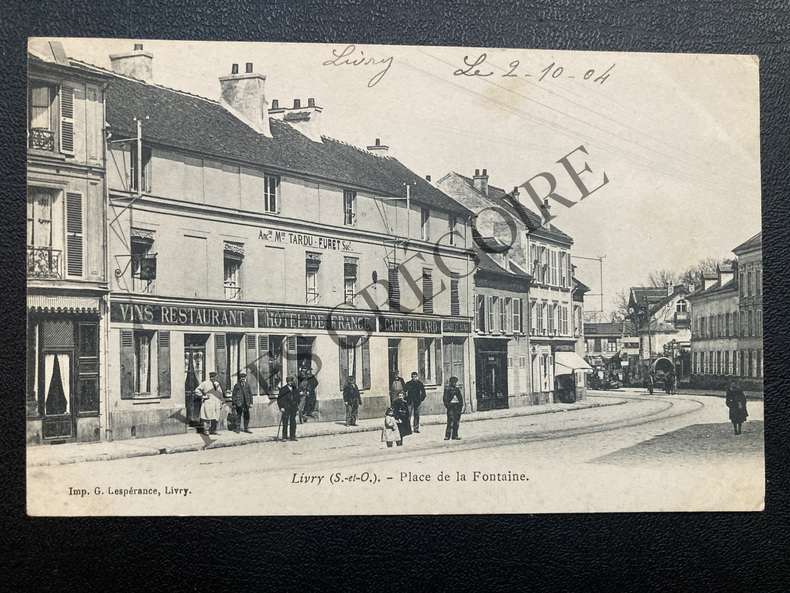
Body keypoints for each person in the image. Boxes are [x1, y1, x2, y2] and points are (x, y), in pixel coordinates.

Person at [195, 371, 223, 436]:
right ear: (210, 377)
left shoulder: (217, 384)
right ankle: (206, 430)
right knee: (207, 416)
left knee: (216, 417)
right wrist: (203, 396)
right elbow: (197, 390)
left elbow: (220, 393)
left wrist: (221, 402)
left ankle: (213, 430)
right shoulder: (205, 383)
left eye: (214, 377)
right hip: (208, 402)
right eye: (212, 377)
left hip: (216, 402)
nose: (213, 378)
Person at [278, 376, 300, 441]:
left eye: (291, 381)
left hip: (293, 407)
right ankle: (284, 437)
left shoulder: (295, 389)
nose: (290, 382)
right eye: (289, 381)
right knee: (285, 422)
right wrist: (281, 407)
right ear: (287, 382)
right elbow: (279, 399)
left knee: (293, 422)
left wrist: (297, 405)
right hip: (286, 407)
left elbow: (298, 398)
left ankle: (292, 436)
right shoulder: (283, 389)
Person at [443, 376, 463, 440]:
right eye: (453, 382)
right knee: (450, 421)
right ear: (450, 382)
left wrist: (460, 406)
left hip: (457, 406)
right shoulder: (447, 389)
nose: (454, 383)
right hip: (451, 407)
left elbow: (460, 398)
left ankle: (455, 435)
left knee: (456, 421)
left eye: (455, 382)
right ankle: (447, 436)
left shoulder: (457, 390)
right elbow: (445, 399)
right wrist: (448, 406)